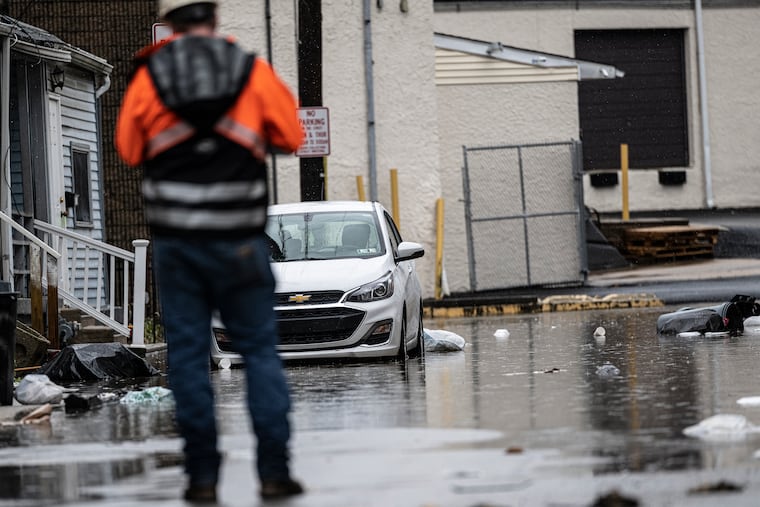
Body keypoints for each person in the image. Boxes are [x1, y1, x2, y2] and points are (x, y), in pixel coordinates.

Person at [115, 0, 304, 502]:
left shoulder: (149, 77)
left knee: (189, 356)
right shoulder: (251, 71)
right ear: (214, 23)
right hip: (239, 239)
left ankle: (201, 478)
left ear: (169, 26)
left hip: (178, 243)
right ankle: (274, 472)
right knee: (261, 352)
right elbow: (292, 136)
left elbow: (129, 150)